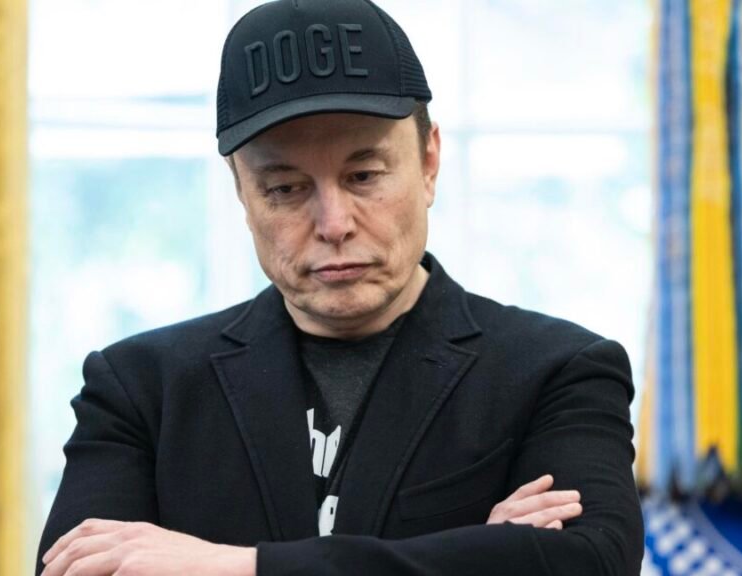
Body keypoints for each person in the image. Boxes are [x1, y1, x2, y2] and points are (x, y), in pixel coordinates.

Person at [36, 0, 644, 574]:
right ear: (241, 192)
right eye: (285, 188)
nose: (333, 224)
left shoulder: (557, 371)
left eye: (364, 175)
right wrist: (479, 553)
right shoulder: (140, 389)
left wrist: (230, 565)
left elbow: (588, 562)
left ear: (429, 161)